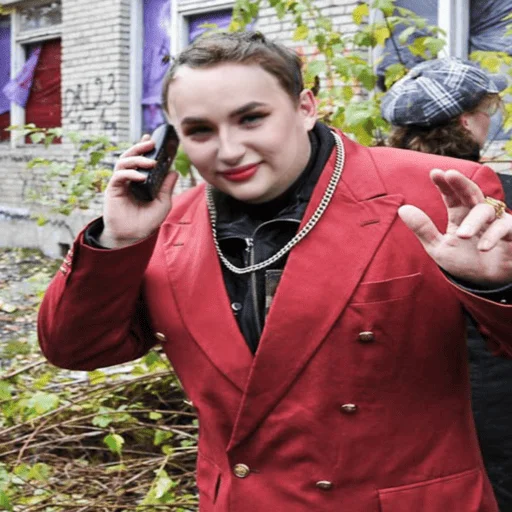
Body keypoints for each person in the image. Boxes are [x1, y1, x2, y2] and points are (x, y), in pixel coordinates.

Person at [38, 32, 512, 512]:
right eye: (200, 130)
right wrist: (118, 240)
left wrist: (494, 285)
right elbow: (77, 348)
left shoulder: (434, 192)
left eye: (251, 118)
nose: (229, 150)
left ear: (305, 108)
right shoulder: (165, 228)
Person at [380, 57, 512, 511]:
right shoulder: (499, 195)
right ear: (465, 121)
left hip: (395, 399)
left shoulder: (367, 195)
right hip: (493, 393)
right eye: (487, 108)